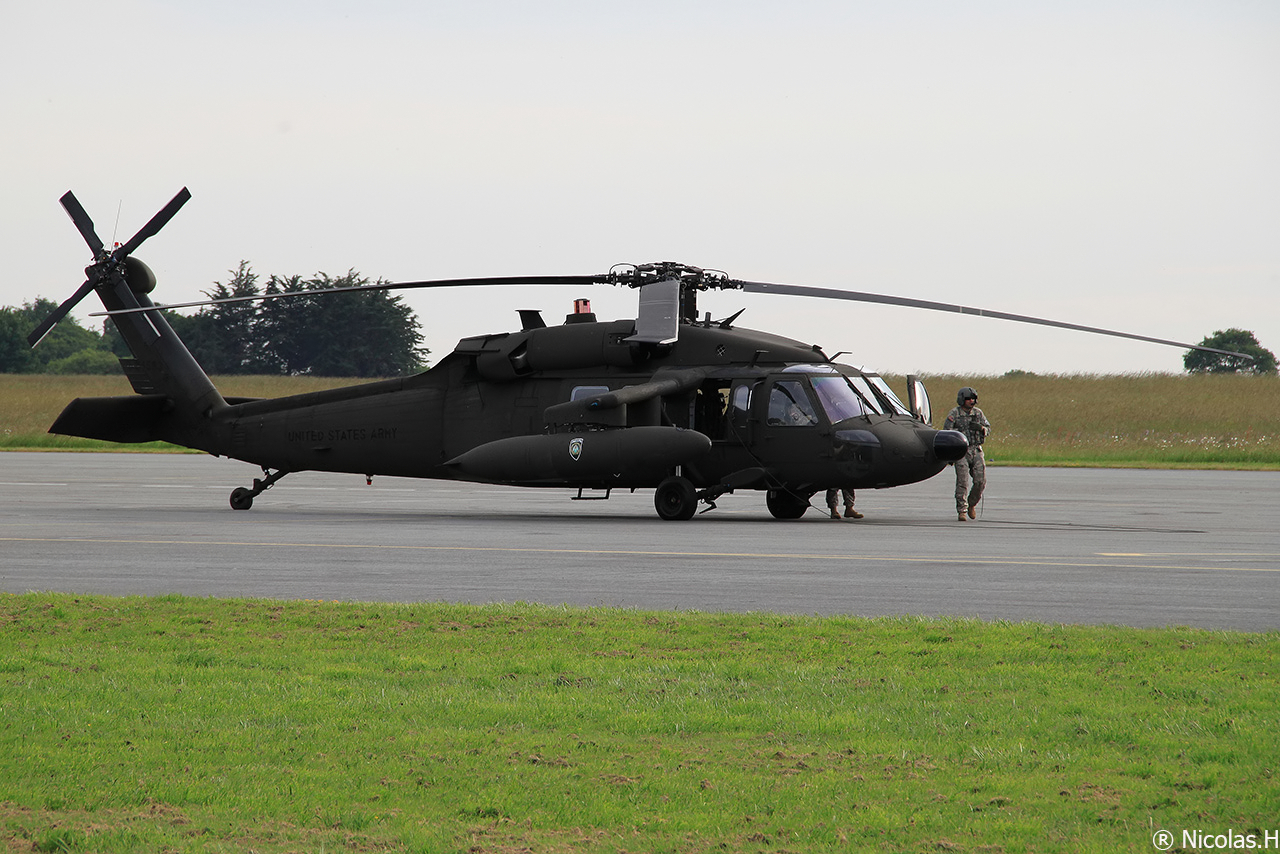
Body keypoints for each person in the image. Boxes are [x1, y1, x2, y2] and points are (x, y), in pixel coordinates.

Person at [943, 386, 991, 521]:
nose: (971, 401)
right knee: (962, 482)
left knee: (980, 481)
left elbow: (988, 428)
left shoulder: (978, 413)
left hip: (976, 449)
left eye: (973, 399)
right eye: (968, 399)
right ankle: (962, 510)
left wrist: (982, 429)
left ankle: (972, 504)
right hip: (961, 452)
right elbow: (947, 433)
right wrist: (950, 454)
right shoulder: (954, 414)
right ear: (962, 400)